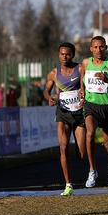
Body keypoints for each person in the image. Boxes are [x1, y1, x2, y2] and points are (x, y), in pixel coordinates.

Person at [43, 42, 87, 196]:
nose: (64, 57)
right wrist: (49, 98)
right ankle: (68, 185)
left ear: (73, 55)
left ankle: (80, 149)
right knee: (63, 147)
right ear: (58, 55)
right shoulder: (53, 74)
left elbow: (84, 87)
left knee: (81, 155)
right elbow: (46, 91)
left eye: (68, 54)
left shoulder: (80, 68)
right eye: (62, 54)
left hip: (79, 112)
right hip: (63, 113)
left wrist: (83, 92)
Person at [80, 36, 108, 188]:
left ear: (106, 47)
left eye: (101, 47)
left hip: (107, 106)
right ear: (91, 49)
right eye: (95, 47)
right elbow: (81, 78)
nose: (98, 50)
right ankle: (92, 170)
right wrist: (81, 90)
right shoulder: (85, 63)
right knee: (89, 133)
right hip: (91, 106)